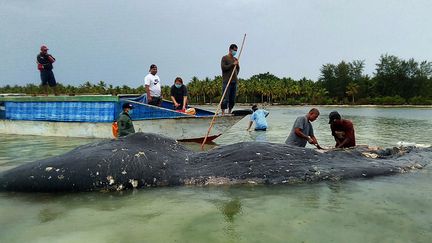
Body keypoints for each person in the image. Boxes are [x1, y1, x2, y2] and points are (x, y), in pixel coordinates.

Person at [221, 44, 240, 115]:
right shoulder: (224, 58)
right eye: (234, 50)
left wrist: (237, 65)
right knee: (225, 98)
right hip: (226, 81)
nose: (235, 52)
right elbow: (223, 68)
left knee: (232, 99)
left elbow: (238, 69)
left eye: (236, 50)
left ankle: (229, 111)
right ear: (230, 50)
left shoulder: (235, 59)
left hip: (234, 81)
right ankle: (223, 112)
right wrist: (232, 64)